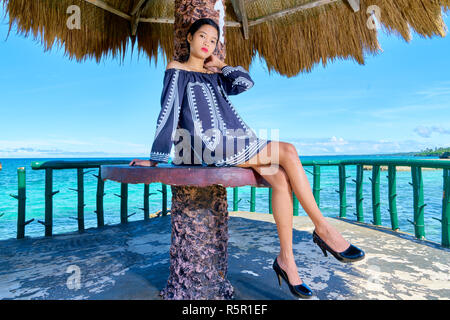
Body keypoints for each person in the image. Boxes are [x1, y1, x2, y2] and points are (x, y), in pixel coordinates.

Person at [129, 17, 365, 299]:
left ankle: (286, 260)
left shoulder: (217, 76)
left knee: (279, 178)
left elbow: (245, 83)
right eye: (202, 36)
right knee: (288, 151)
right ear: (189, 38)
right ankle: (324, 228)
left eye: (213, 41)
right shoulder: (176, 69)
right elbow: (167, 112)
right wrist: (155, 158)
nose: (207, 43)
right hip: (208, 143)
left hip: (237, 139)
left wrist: (220, 65)